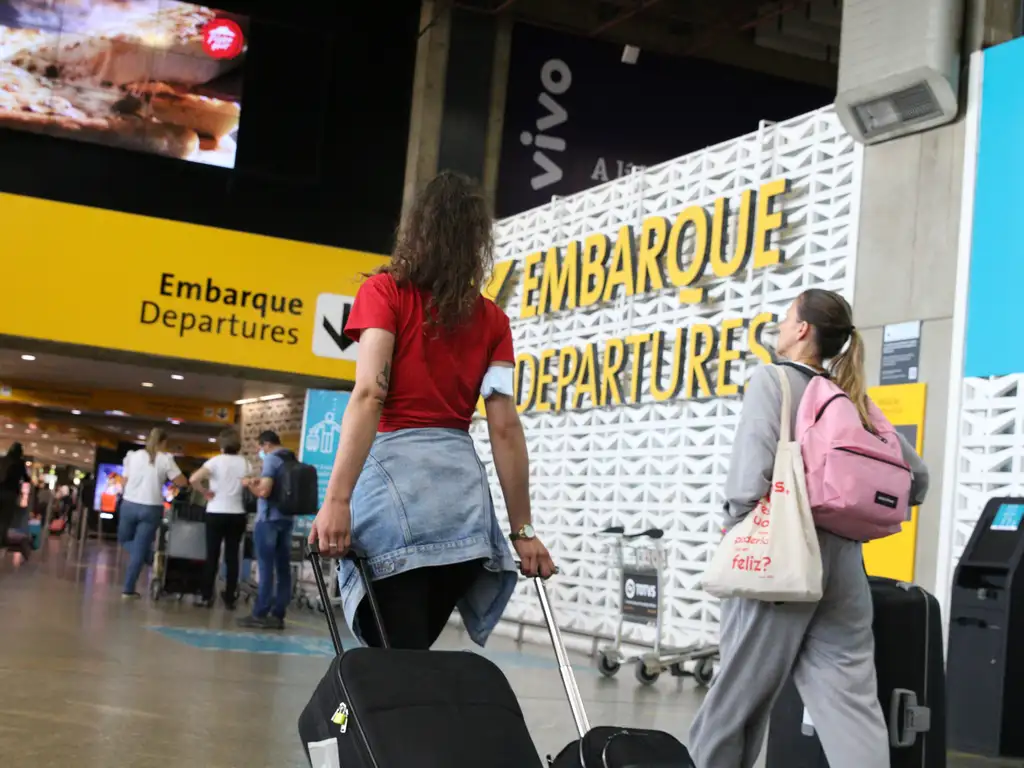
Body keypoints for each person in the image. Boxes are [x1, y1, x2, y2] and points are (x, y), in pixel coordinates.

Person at [309, 170, 556, 651]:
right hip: (462, 510)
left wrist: (337, 500)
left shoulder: (383, 294)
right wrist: (523, 531)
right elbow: (503, 426)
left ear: (416, 230)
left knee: (391, 663)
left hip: (395, 490)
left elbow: (369, 394)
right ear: (476, 244)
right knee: (411, 656)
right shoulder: (493, 321)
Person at [688, 289, 931, 768]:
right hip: (844, 566)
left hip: (782, 558)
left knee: (735, 703)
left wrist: (738, 529)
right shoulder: (852, 399)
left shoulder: (774, 381)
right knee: (851, 705)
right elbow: (917, 479)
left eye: (785, 319)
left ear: (802, 330)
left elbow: (749, 477)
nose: (779, 327)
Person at [119, 428, 189, 599]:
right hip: (152, 507)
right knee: (140, 547)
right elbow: (182, 482)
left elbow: (124, 482)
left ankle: (150, 559)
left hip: (129, 504)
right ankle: (129, 588)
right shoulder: (166, 459)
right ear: (163, 443)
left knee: (124, 540)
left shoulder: (133, 456)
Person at [189, 428, 250, 609]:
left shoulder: (214, 462)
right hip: (237, 513)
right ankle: (230, 597)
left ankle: (207, 596)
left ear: (222, 444)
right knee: (232, 557)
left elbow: (193, 479)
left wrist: (205, 492)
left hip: (215, 512)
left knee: (212, 555)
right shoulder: (245, 463)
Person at [238, 430, 293, 630]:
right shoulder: (290, 457)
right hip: (287, 519)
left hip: (268, 520)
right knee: (283, 569)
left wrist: (248, 485)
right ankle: (278, 614)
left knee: (266, 567)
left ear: (266, 444)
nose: (261, 451)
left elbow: (264, 491)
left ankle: (260, 612)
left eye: (261, 447)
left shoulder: (272, 459)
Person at [0, 442, 31, 558]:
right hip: (10, 493)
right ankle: (2, 538)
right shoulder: (19, 463)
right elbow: (26, 478)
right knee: (5, 518)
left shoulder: (3, 460)